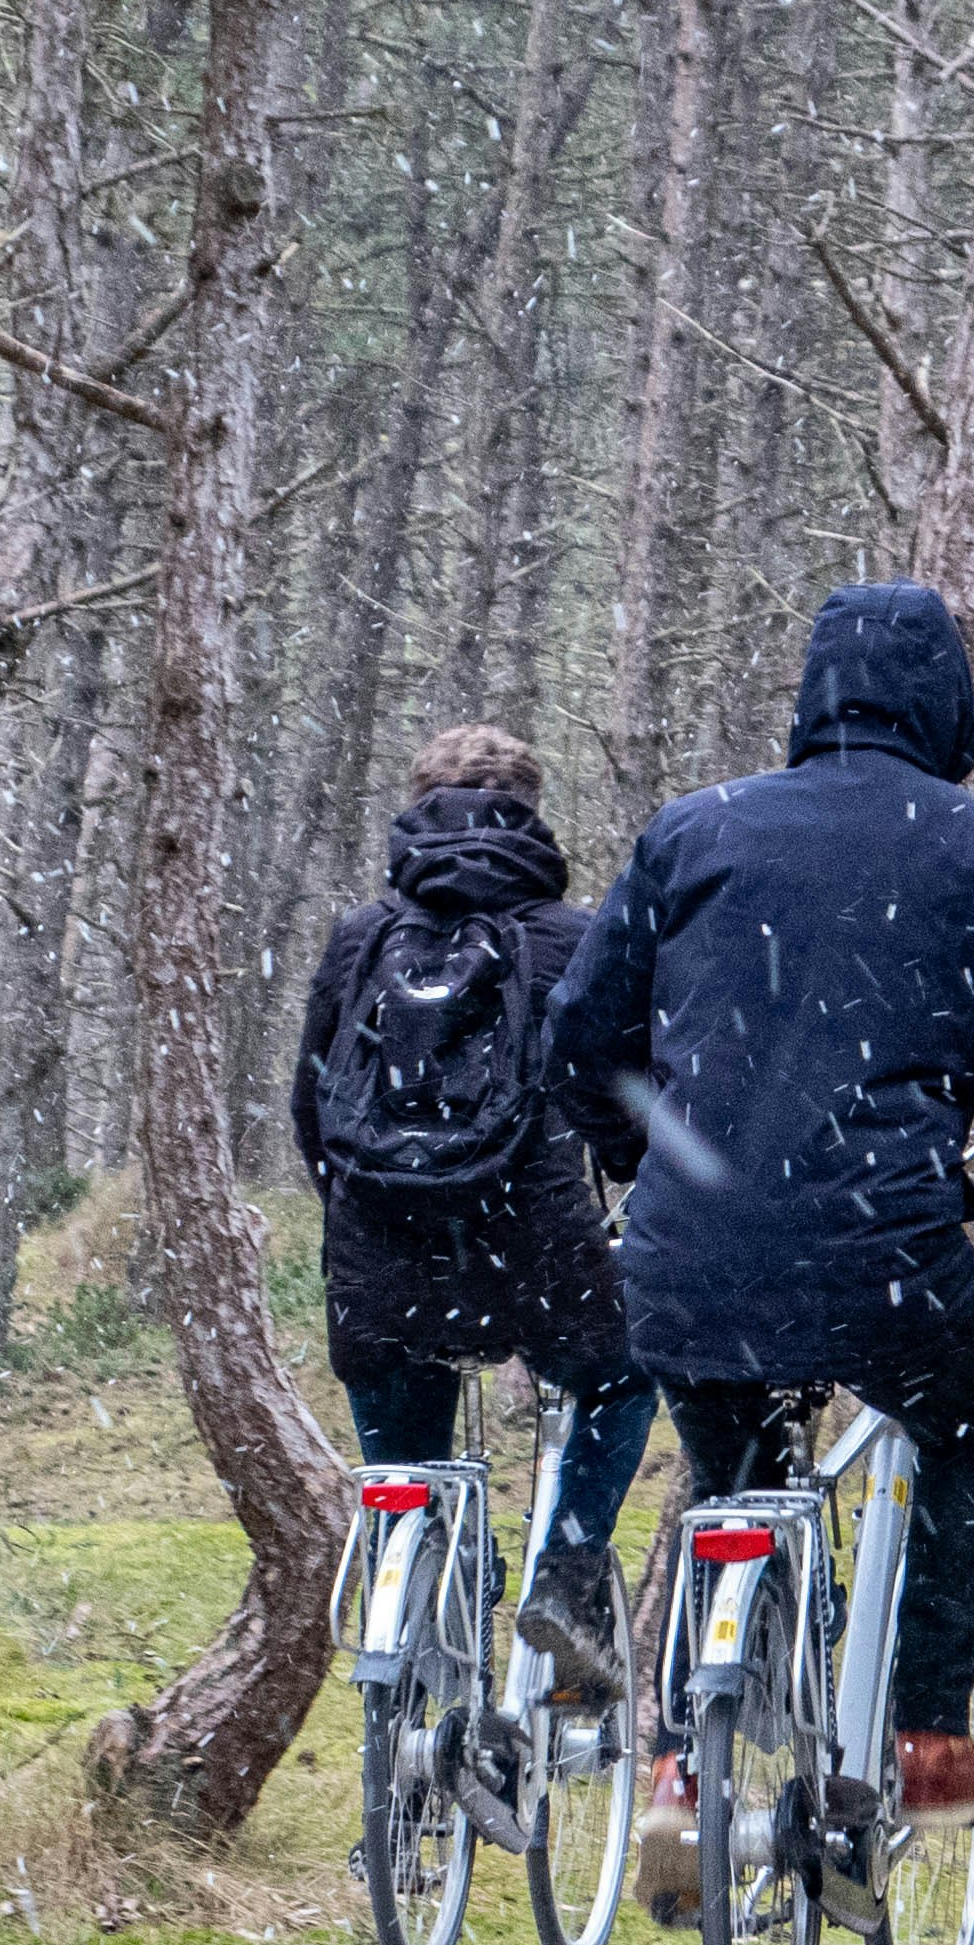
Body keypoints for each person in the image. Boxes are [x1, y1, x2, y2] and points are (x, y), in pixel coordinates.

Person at [545, 581, 974, 1919]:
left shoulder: (695, 832)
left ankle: (688, 1771)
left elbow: (581, 1039)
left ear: (813, 694)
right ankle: (926, 1739)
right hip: (885, 1249)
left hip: (690, 1254)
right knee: (966, 1434)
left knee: (733, 1474)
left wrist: (643, 1155)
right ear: (948, 705)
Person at [288, 726, 654, 1697]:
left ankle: (407, 1710)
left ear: (413, 810)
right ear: (532, 814)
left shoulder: (361, 941)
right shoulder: (574, 939)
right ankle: (566, 1589)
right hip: (533, 1254)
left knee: (401, 1499)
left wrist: (371, 1209)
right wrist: (620, 1170)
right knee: (625, 1376)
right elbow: (618, 1105)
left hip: (377, 1273)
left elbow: (310, 1110)